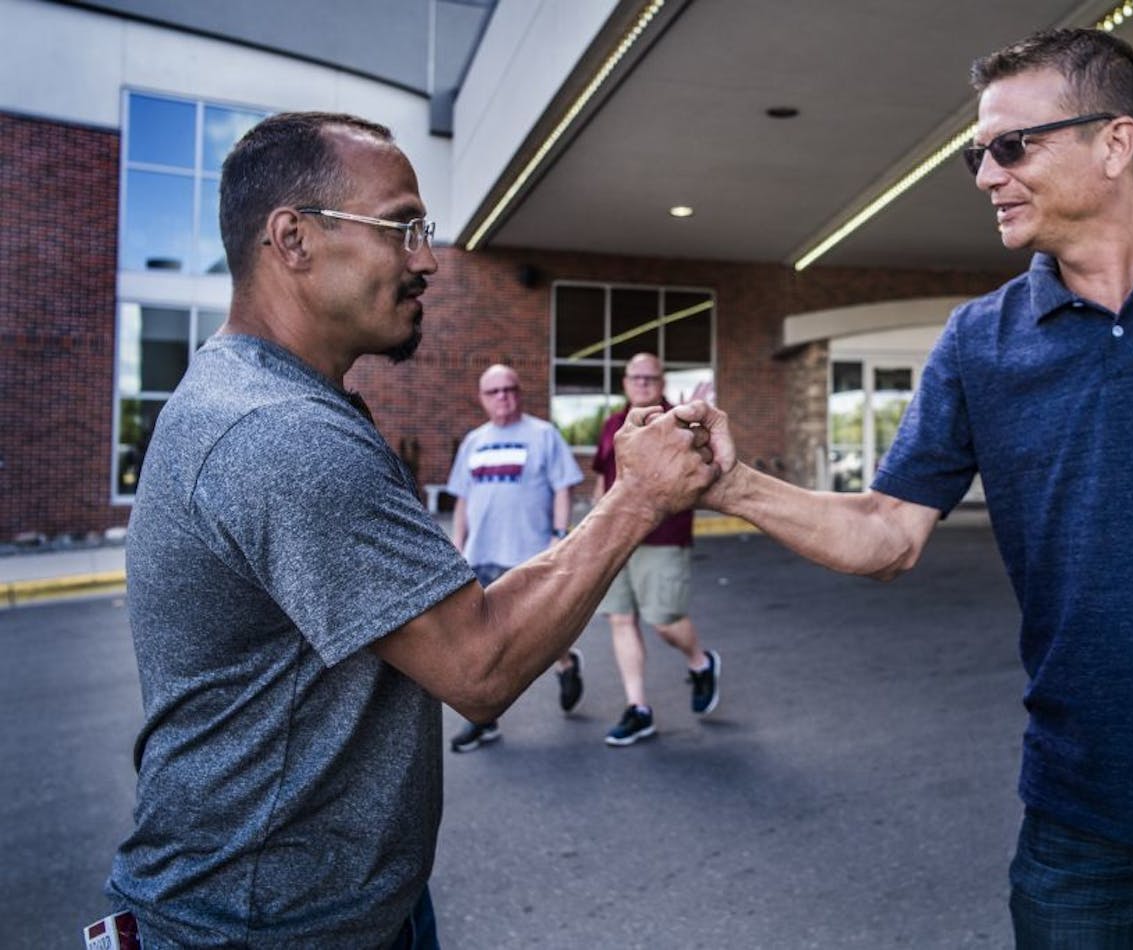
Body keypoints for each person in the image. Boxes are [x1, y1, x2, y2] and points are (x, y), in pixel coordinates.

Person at [697, 28, 1133, 948]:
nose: (987, 174)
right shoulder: (976, 342)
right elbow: (885, 532)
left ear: (1115, 143)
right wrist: (732, 484)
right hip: (1084, 817)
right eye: (976, 155)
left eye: (1011, 146)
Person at [104, 111, 719, 948]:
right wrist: (638, 497)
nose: (425, 259)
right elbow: (479, 663)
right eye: (401, 228)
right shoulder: (282, 433)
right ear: (292, 239)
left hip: (331, 910)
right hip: (263, 927)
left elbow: (462, 624)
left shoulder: (272, 399)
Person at [446, 363, 586, 751]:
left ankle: (566, 662)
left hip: (529, 554)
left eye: (510, 389)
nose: (503, 396)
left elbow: (563, 489)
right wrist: (458, 544)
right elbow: (463, 498)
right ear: (482, 398)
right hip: (481, 556)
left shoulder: (543, 435)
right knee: (481, 647)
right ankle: (484, 721)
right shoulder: (473, 442)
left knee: (539, 634)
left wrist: (559, 536)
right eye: (494, 391)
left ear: (519, 393)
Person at [593, 353, 720, 747]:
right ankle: (638, 709)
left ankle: (701, 663)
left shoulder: (680, 422)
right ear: (625, 383)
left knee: (664, 620)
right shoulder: (614, 425)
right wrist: (596, 527)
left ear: (661, 383)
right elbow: (603, 480)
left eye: (651, 378)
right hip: (617, 536)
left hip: (663, 536)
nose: (643, 384)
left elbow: (707, 467)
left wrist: (697, 425)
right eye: (637, 378)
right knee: (620, 618)